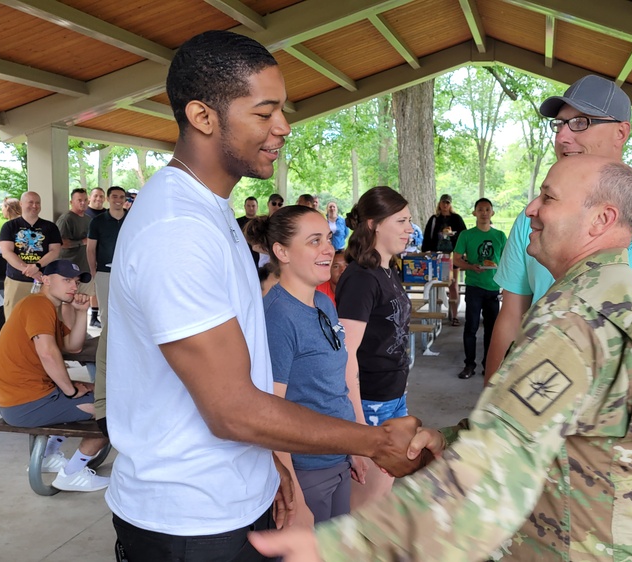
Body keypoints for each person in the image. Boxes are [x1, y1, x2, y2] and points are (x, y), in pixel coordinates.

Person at [250, 156, 632, 562]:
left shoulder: (577, 316)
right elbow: (546, 427)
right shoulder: (610, 290)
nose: (531, 208)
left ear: (601, 219)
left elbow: (492, 476)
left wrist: (342, 546)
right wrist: (448, 440)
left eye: (548, 197)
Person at [104, 31, 424, 560]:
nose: (283, 127)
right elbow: (231, 408)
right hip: (189, 520)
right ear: (204, 117)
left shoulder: (211, 211)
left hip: (231, 497)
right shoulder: (176, 228)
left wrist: (265, 464)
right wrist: (370, 440)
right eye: (265, 112)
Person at [486, 74, 632, 425]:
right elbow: (509, 319)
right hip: (536, 409)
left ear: (621, 133)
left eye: (580, 123)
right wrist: (490, 413)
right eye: (559, 124)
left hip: (620, 425)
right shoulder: (536, 214)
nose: (563, 135)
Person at [256, 206, 362, 524]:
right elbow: (271, 412)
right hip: (306, 471)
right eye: (314, 241)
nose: (328, 249)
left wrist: (355, 443)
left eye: (328, 239)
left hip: (340, 457)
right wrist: (293, 496)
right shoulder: (278, 316)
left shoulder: (323, 302)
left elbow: (335, 385)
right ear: (282, 251)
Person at [0, 259, 109, 492]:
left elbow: (73, 346)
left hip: (25, 398)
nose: (74, 287)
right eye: (66, 280)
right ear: (45, 280)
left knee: (101, 391)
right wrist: (71, 390)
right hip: (25, 404)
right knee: (114, 411)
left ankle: (48, 455)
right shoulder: (37, 304)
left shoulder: (46, 308)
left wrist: (80, 312)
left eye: (75, 282)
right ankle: (72, 473)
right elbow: (47, 352)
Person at [335, 185, 415, 507]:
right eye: (401, 221)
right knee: (365, 506)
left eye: (409, 220)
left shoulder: (388, 269)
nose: (410, 229)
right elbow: (346, 355)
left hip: (393, 396)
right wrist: (357, 425)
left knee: (383, 494)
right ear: (373, 224)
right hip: (369, 403)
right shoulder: (361, 278)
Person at [452, 197, 506, 379]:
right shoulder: (466, 235)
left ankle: (488, 365)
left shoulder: (499, 236)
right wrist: (470, 266)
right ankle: (469, 365)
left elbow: (507, 261)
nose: (484, 213)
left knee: (492, 329)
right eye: (480, 210)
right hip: (474, 286)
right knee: (471, 327)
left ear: (492, 213)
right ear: (474, 213)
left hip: (493, 288)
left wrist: (506, 286)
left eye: (487, 209)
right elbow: (456, 259)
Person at [0, 191, 62, 319]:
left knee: (47, 318)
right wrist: (29, 271)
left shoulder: (50, 227)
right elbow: (6, 252)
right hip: (17, 280)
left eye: (37, 203)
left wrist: (37, 266)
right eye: (30, 202)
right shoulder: (9, 226)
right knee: (14, 319)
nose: (34, 206)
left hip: (45, 281)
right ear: (21, 204)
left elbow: (55, 251)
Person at [422, 194, 467, 326]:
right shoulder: (434, 219)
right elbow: (427, 237)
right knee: (435, 285)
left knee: (453, 284)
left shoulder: (456, 219)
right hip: (437, 256)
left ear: (450, 204)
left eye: (447, 203)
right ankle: (436, 314)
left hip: (453, 256)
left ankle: (454, 315)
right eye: (443, 202)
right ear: (440, 204)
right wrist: (426, 252)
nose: (445, 205)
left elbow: (464, 235)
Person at [86, 186, 126, 328]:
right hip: (104, 272)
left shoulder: (132, 218)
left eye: (121, 197)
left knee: (127, 311)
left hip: (128, 273)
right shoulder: (97, 221)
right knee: (106, 313)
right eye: (114, 196)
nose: (118, 200)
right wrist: (93, 271)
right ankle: (106, 346)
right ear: (108, 199)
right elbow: (90, 249)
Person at [56, 189, 97, 328]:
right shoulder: (66, 219)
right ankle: (68, 333)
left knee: (83, 302)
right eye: (79, 200)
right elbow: (60, 243)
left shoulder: (88, 219)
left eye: (85, 200)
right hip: (69, 270)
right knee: (69, 302)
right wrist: (82, 242)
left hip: (85, 269)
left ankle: (81, 334)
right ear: (71, 202)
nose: (83, 203)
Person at [238, 195, 261, 265]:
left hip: (259, 253)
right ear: (244, 207)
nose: (251, 208)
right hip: (242, 253)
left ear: (257, 207)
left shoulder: (262, 222)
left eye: (253, 206)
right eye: (248, 206)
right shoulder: (237, 222)